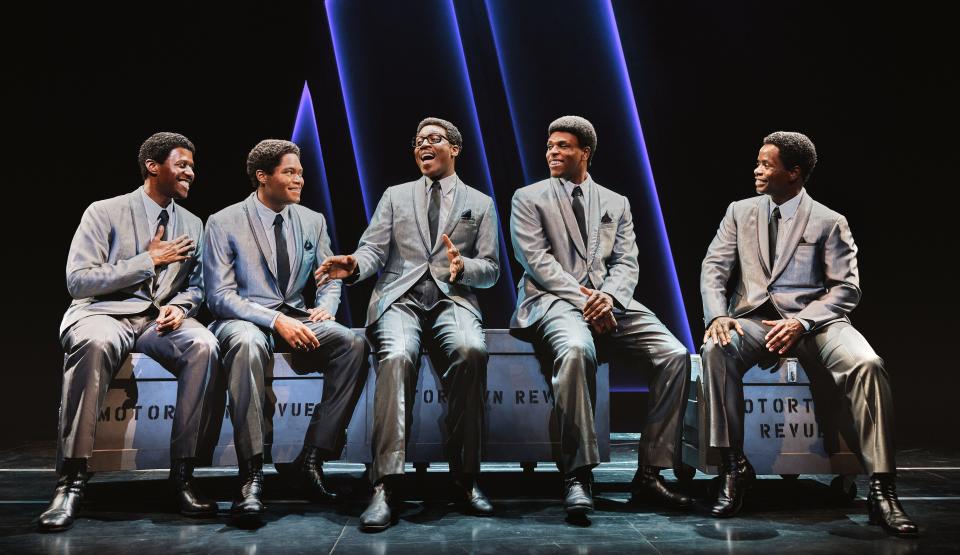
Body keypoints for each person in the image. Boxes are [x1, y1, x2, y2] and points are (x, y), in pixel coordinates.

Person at [700, 130, 917, 537]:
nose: (757, 170)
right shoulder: (739, 211)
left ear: (794, 174)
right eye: (758, 162)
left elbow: (846, 288)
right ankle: (733, 467)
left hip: (817, 323)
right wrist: (716, 316)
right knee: (716, 348)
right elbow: (714, 268)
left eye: (767, 164)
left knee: (867, 364)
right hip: (754, 322)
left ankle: (882, 489)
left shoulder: (830, 221)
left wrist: (802, 322)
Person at [318, 117, 500, 531]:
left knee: (471, 351)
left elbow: (491, 270)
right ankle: (386, 484)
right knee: (397, 356)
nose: (423, 145)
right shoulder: (395, 196)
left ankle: (465, 477)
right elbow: (372, 251)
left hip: (452, 300)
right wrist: (352, 266)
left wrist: (463, 267)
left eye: (434, 139)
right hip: (401, 299)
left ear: (455, 149)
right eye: (418, 141)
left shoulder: (481, 202)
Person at [509, 115, 691, 517]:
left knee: (675, 355)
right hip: (553, 299)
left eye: (563, 146)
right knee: (576, 349)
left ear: (584, 153)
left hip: (611, 301)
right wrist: (587, 301)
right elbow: (536, 261)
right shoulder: (528, 197)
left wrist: (608, 298)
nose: (552, 152)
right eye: (549, 145)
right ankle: (578, 473)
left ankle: (650, 473)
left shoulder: (616, 202)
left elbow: (628, 262)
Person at [40, 132, 221, 531]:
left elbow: (198, 286)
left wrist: (181, 305)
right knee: (95, 341)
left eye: (192, 165)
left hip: (157, 319)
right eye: (182, 164)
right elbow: (78, 281)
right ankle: (71, 479)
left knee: (205, 344)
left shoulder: (193, 223)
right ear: (153, 167)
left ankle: (183, 474)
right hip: (103, 312)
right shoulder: (104, 211)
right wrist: (147, 260)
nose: (191, 171)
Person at [204, 139, 368, 524]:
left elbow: (328, 277)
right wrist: (276, 321)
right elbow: (219, 296)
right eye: (289, 172)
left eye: (301, 172)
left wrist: (326, 309)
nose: (299, 179)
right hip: (243, 319)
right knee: (246, 344)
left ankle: (311, 460)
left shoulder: (312, 220)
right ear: (263, 177)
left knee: (352, 343)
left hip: (296, 315)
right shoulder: (223, 221)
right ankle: (252, 474)